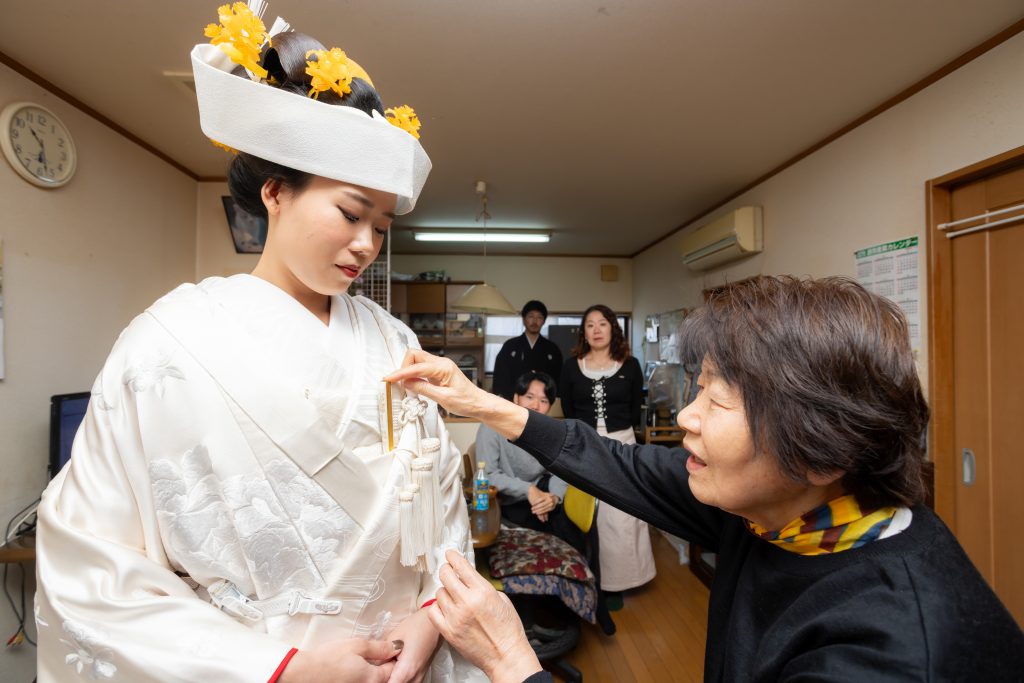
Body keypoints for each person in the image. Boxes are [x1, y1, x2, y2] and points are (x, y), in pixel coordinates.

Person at [35, 5, 486, 682]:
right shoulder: (168, 343)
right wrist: (279, 666)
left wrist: (429, 616)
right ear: (275, 192)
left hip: (406, 662)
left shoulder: (392, 337)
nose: (366, 243)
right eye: (350, 213)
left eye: (382, 226)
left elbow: (440, 495)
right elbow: (91, 559)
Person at [387, 276, 1024, 682]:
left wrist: (511, 661)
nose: (688, 417)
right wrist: (481, 403)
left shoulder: (890, 652)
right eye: (700, 388)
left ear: (821, 450)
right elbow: (617, 461)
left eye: (718, 400)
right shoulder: (779, 513)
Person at [558, 304, 654, 593]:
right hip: (585, 444)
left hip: (623, 442)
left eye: (602, 323)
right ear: (583, 333)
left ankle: (630, 579)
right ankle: (593, 579)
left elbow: (635, 407)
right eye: (590, 325)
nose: (596, 330)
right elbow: (569, 409)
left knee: (625, 512)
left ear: (613, 328)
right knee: (589, 512)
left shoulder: (630, 365)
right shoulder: (571, 367)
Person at [475, 371, 582, 551]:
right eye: (529, 397)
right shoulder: (492, 425)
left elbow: (558, 471)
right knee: (557, 532)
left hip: (543, 493)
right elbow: (487, 476)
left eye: (544, 401)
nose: (535, 406)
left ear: (550, 406)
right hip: (508, 500)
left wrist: (554, 497)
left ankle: (579, 565)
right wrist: (529, 490)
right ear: (516, 398)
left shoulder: (550, 431)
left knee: (573, 526)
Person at [491, 300, 563, 400]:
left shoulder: (552, 349)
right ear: (524, 319)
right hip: (514, 401)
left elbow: (558, 380)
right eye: (531, 316)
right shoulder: (510, 346)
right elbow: (500, 377)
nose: (535, 321)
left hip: (542, 402)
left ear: (544, 321)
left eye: (539, 317)